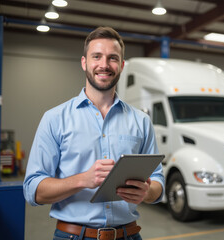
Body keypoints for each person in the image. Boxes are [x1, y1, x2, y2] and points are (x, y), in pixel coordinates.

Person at [23, 26, 164, 240]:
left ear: (122, 65)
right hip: (73, 236)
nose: (104, 65)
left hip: (129, 235)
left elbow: (157, 181)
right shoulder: (54, 119)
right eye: (96, 56)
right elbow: (33, 190)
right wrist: (83, 180)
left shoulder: (141, 121)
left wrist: (148, 192)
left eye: (113, 58)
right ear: (84, 62)